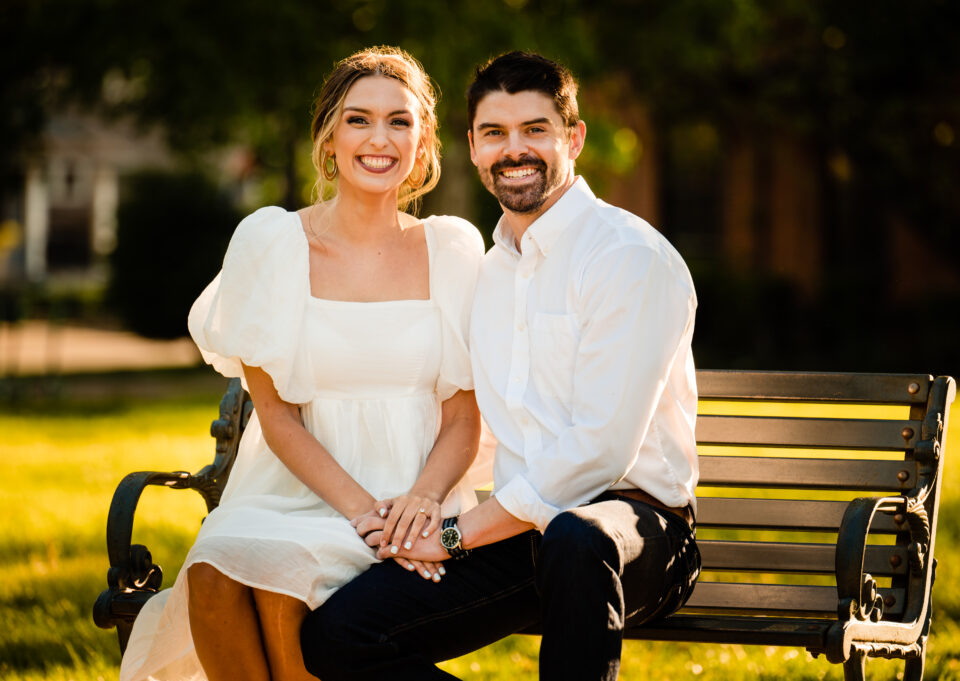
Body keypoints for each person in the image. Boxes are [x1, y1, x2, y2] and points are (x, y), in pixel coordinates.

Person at [301, 51, 701, 681]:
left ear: (574, 138)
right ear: (472, 147)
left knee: (576, 536)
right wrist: (417, 510)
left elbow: (600, 451)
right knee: (339, 635)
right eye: (495, 133)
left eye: (535, 130)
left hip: (637, 533)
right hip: (523, 533)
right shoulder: (487, 275)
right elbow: (473, 422)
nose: (515, 150)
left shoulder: (628, 258)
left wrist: (456, 535)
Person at [118, 46, 486, 681]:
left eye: (400, 121)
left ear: (423, 142)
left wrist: (416, 505)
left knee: (281, 586)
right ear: (328, 139)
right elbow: (276, 415)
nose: (380, 138)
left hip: (415, 495)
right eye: (358, 119)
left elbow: (464, 415)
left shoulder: (452, 249)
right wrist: (363, 515)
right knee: (213, 572)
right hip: (296, 491)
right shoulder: (272, 244)